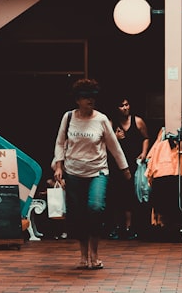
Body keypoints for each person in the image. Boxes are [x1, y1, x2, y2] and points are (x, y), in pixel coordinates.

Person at [52, 78, 131, 269]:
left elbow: (114, 146)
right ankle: (83, 256)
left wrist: (125, 169)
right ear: (77, 100)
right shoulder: (68, 117)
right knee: (78, 215)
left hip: (97, 172)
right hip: (73, 172)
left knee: (95, 208)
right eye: (86, 98)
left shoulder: (101, 119)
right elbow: (60, 142)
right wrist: (59, 166)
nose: (90, 101)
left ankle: (95, 255)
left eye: (92, 98)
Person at [107, 96, 150, 240]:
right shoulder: (111, 123)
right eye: (121, 105)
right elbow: (103, 142)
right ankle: (116, 227)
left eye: (127, 104)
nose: (125, 108)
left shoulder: (137, 121)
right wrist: (115, 137)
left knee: (130, 196)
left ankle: (129, 227)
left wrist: (144, 153)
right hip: (116, 164)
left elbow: (146, 137)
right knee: (116, 196)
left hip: (132, 163)